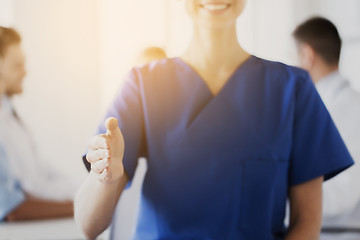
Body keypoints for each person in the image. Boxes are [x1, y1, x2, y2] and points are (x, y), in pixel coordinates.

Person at [75, 1, 354, 239]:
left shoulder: (293, 90)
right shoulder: (143, 85)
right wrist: (105, 179)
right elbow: (89, 226)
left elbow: (307, 222)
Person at [0, 26, 76, 221]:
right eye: (17, 65)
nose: (25, 72)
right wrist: (82, 208)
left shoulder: (11, 116)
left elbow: (41, 178)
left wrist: (85, 194)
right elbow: (10, 207)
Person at [293, 17, 360, 237]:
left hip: (339, 233)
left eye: (295, 57)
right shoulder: (331, 104)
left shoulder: (347, 109)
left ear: (307, 55)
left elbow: (344, 193)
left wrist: (284, 199)